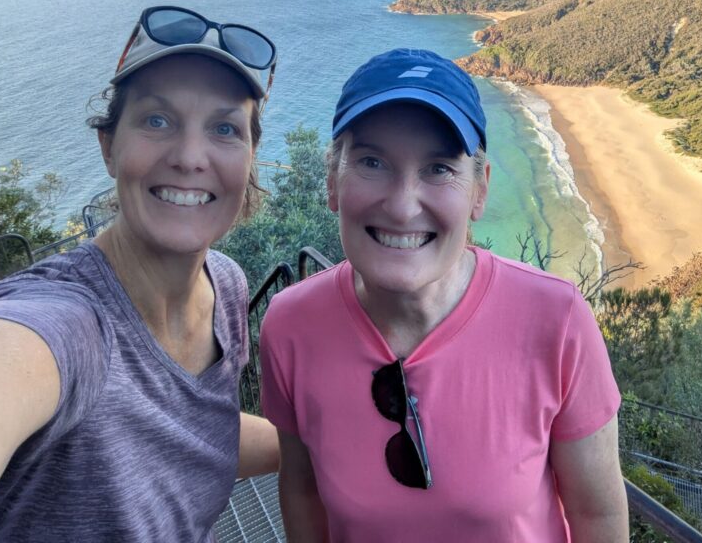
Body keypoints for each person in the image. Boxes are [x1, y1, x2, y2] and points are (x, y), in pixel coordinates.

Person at [259, 48, 629, 542]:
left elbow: (597, 515)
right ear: (331, 181)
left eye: (438, 168)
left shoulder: (557, 320)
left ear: (479, 190)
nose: (402, 205)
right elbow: (301, 491)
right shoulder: (289, 326)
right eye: (372, 162)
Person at [0, 6, 281, 541]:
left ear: (250, 160)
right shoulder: (60, 324)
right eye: (156, 120)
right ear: (108, 147)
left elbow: (192, 428)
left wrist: (331, 451)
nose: (191, 157)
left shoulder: (226, 284)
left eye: (224, 128)